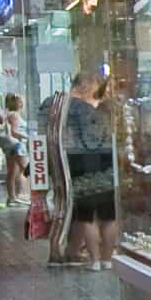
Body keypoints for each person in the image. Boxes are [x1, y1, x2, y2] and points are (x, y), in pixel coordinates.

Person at [54, 71, 118, 263]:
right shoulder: (105, 115)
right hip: (107, 166)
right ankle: (107, 260)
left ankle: (95, 261)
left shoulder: (70, 109)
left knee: (87, 217)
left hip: (82, 166)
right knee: (108, 217)